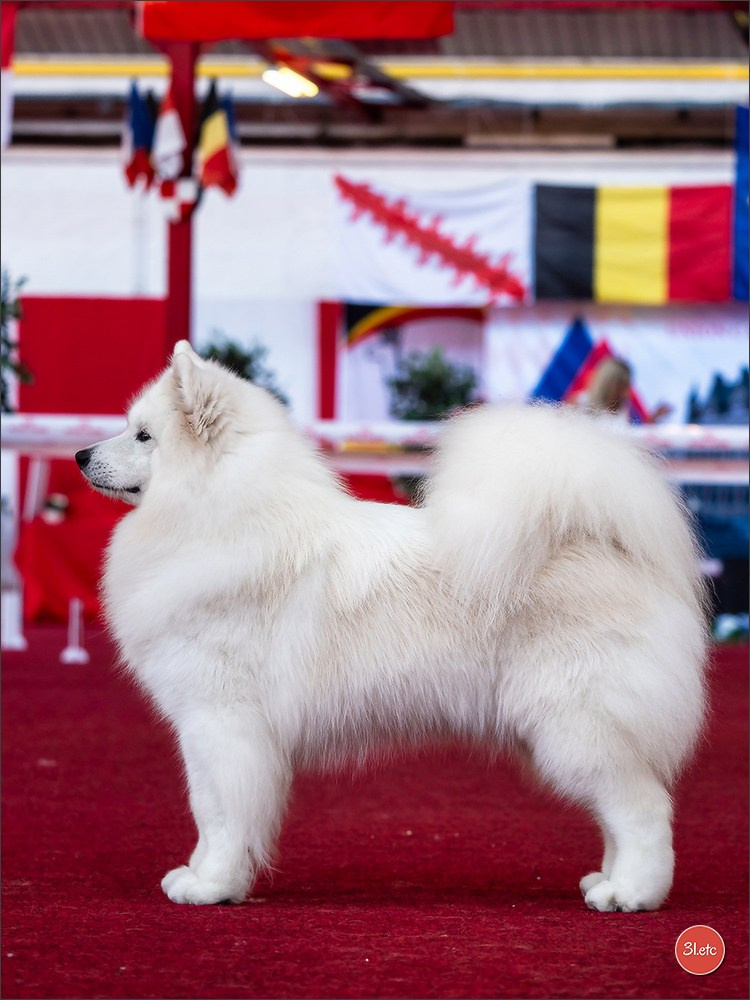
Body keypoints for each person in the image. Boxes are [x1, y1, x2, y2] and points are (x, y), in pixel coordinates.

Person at [577, 356, 672, 424]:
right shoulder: (580, 402)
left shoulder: (624, 407)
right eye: (620, 386)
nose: (625, 391)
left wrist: (653, 418)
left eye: (626, 385)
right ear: (608, 384)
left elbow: (636, 436)